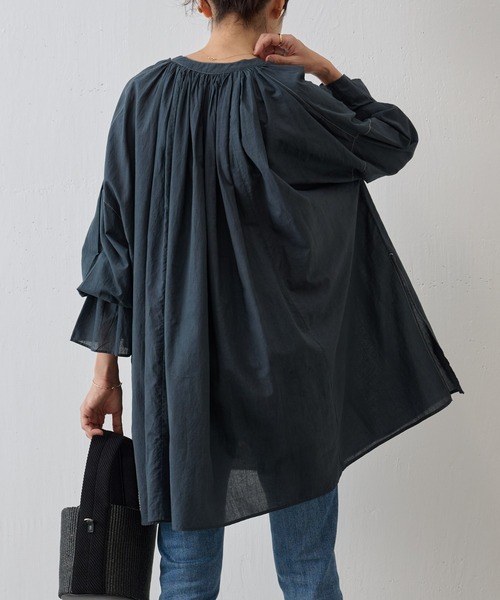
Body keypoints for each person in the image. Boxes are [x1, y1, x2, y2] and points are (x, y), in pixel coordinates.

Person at [71, 0, 464, 598]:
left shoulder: (142, 97)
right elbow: (392, 139)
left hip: (180, 378)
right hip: (286, 375)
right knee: (308, 569)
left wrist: (106, 374)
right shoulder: (287, 96)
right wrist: (327, 71)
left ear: (203, 4)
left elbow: (114, 243)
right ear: (279, 4)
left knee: (186, 575)